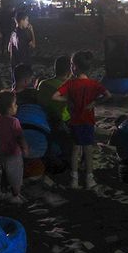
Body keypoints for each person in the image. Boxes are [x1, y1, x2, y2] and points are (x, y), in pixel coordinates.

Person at [52, 51, 111, 189]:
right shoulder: (93, 84)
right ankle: (90, 179)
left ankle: (74, 179)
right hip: (88, 121)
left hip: (75, 122)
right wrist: (95, 102)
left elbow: (54, 96)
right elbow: (108, 95)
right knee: (88, 150)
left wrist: (68, 100)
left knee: (75, 150)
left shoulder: (70, 84)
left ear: (75, 67)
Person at [0, 90, 29, 203]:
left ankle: (4, 191)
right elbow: (20, 137)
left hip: (2, 153)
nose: (16, 106)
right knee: (16, 175)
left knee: (5, 172)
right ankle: (16, 195)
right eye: (15, 104)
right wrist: (25, 148)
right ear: (9, 108)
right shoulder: (14, 121)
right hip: (14, 153)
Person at [8, 11, 35, 84]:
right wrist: (32, 31)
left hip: (15, 63)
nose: (28, 22)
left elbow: (9, 48)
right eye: (27, 20)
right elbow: (33, 45)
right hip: (24, 63)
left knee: (16, 83)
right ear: (21, 21)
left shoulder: (13, 32)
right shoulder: (24, 33)